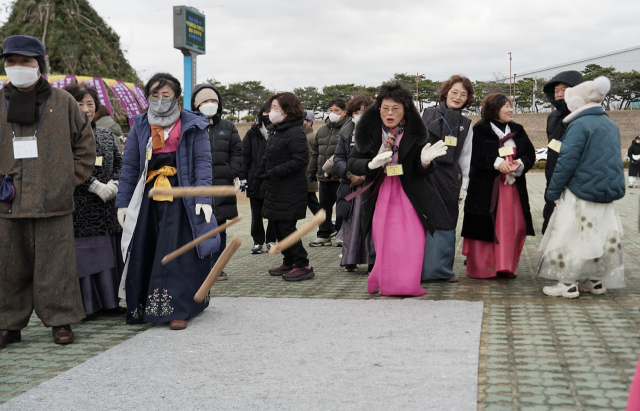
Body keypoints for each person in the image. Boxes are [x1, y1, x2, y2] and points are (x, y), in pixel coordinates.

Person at [0, 35, 96, 348]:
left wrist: (70, 179)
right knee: (7, 267)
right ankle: (8, 325)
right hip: (8, 201)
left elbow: (85, 144)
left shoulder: (63, 102)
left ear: (39, 65)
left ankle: (60, 322)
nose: (17, 67)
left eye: (25, 61)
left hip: (53, 201)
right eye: (11, 61)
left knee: (56, 266)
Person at [116, 73, 219, 330]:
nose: (160, 100)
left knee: (178, 252)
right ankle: (143, 305)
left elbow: (202, 164)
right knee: (146, 248)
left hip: (181, 197)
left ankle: (179, 309)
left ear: (177, 97)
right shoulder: (139, 125)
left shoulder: (193, 124)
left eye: (166, 95)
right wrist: (123, 202)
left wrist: (203, 197)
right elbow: (129, 166)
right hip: (148, 197)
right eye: (155, 95)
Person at [347, 81, 447, 296]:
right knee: (385, 241)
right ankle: (387, 282)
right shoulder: (370, 131)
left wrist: (425, 162)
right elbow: (352, 161)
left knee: (411, 241)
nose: (389, 113)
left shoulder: (416, 132)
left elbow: (424, 171)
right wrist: (370, 165)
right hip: (382, 193)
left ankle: (408, 284)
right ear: (379, 109)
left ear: (405, 110)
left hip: (411, 194)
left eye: (395, 108)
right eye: (385, 108)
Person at [538, 77, 625, 298]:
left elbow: (567, 162)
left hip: (579, 192)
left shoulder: (579, 125)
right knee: (597, 235)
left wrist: (553, 191)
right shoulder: (609, 123)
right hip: (604, 195)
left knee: (570, 235)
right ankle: (594, 281)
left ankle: (567, 283)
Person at [63, 83, 124, 315]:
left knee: (110, 254)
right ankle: (88, 306)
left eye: (90, 104)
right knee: (87, 257)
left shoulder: (106, 134)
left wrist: (115, 183)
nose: (86, 109)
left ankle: (110, 303)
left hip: (107, 209)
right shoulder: (64, 135)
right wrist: (93, 185)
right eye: (79, 104)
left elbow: (120, 162)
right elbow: (65, 165)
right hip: (80, 210)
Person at [461, 93, 536, 279]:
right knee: (485, 225)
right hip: (486, 190)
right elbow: (473, 156)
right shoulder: (479, 130)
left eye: (511, 106)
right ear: (494, 109)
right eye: (506, 106)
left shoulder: (518, 129)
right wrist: (497, 163)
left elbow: (530, 153)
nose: (511, 110)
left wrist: (520, 164)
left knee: (512, 226)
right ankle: (483, 268)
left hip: (512, 190)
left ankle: (506, 266)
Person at [252, 92, 314, 281]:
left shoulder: (295, 132)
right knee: (277, 226)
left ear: (288, 110)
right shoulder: (276, 130)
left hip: (290, 189)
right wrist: (258, 177)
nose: (271, 112)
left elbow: (301, 159)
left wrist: (274, 172)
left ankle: (304, 264)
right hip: (275, 188)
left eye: (276, 108)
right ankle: (289, 261)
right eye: (271, 108)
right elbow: (267, 157)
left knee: (287, 227)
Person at [420, 75, 475, 283]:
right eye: (454, 92)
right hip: (426, 173)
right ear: (445, 93)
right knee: (422, 219)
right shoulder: (428, 114)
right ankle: (418, 268)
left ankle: (441, 270)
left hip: (450, 178)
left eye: (463, 94)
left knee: (447, 219)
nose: (458, 97)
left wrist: (465, 185)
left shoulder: (466, 124)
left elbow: (466, 157)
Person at [191, 84, 242, 280]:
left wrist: (230, 171)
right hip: (197, 186)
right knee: (197, 226)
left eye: (213, 101)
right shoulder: (190, 125)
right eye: (205, 101)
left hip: (222, 185)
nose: (210, 104)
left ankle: (217, 267)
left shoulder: (227, 127)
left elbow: (238, 152)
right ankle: (199, 266)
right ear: (196, 104)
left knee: (220, 227)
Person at [334, 92, 375, 273]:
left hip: (370, 185)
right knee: (351, 224)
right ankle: (350, 259)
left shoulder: (378, 131)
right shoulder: (345, 131)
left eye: (364, 111)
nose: (360, 115)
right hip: (349, 185)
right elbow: (338, 158)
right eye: (357, 111)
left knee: (371, 225)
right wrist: (350, 174)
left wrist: (366, 175)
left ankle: (373, 260)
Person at [541, 71, 583, 234]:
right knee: (551, 228)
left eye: (564, 90)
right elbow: (552, 147)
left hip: (578, 186)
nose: (558, 94)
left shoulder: (585, 115)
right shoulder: (552, 117)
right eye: (556, 90)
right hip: (553, 182)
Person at [309, 98, 348, 247]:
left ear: (344, 112)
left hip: (340, 176)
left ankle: (340, 234)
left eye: (336, 110)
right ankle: (323, 234)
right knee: (323, 207)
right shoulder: (322, 130)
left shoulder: (347, 128)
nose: (332, 113)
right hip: (324, 176)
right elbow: (315, 153)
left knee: (341, 206)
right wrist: (312, 170)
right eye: (331, 110)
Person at [240, 102, 276, 254]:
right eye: (265, 112)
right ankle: (258, 241)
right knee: (256, 213)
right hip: (255, 178)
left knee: (273, 212)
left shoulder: (279, 131)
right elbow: (244, 156)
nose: (267, 115)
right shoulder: (252, 133)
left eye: (271, 111)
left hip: (274, 178)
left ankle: (271, 240)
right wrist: (243, 177)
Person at [303, 110, 321, 216]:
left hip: (306, 176)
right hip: (308, 176)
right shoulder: (310, 136)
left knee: (312, 202)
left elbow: (309, 158)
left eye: (304, 120)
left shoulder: (308, 137)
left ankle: (326, 224)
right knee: (312, 201)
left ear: (310, 122)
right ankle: (326, 224)